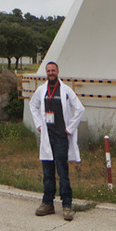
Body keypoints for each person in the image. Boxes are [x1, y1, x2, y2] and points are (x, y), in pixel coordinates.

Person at [29, 60, 85, 221]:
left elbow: (80, 108)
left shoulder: (66, 90)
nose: (51, 73)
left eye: (53, 70)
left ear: (57, 72)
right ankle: (47, 203)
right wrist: (39, 124)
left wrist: (71, 128)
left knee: (62, 172)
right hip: (47, 136)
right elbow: (33, 106)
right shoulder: (41, 90)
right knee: (47, 173)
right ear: (46, 73)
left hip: (61, 137)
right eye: (48, 71)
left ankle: (67, 205)